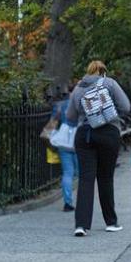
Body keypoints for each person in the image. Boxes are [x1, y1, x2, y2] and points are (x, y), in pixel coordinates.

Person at [64, 59, 131, 237]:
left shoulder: (78, 88)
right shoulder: (109, 83)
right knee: (105, 178)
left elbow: (70, 115)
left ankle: (81, 225)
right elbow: (126, 106)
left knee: (86, 179)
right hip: (108, 133)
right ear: (103, 71)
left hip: (84, 135)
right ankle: (111, 222)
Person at [49, 81, 79, 212]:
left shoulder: (60, 106)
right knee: (82, 174)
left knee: (67, 173)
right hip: (79, 142)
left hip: (64, 142)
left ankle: (68, 202)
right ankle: (83, 200)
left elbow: (52, 124)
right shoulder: (82, 104)